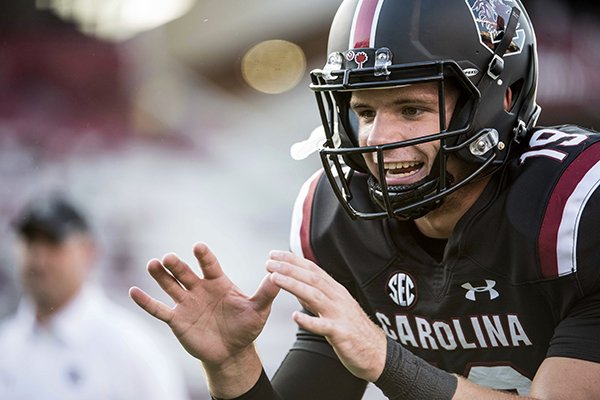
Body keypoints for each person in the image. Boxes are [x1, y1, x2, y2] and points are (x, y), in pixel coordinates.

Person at [129, 0, 600, 399]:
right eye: (365, 111)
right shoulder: (337, 217)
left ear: (503, 97)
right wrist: (232, 366)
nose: (378, 138)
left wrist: (386, 360)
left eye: (411, 109)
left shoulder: (578, 208)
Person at [0, 193, 190, 400]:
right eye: (29, 243)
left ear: (88, 251)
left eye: (53, 244)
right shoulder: (7, 343)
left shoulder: (131, 348)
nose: (39, 259)